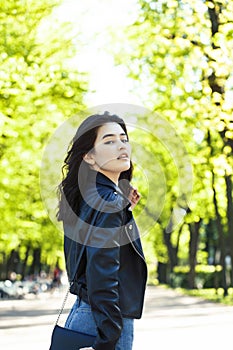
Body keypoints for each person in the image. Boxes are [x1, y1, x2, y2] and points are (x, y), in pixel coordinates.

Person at [57, 112, 147, 350]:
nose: (121, 145)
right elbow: (102, 273)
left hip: (85, 313)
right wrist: (109, 337)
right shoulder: (107, 203)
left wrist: (122, 207)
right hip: (104, 321)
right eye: (109, 141)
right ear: (89, 157)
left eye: (123, 138)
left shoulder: (88, 198)